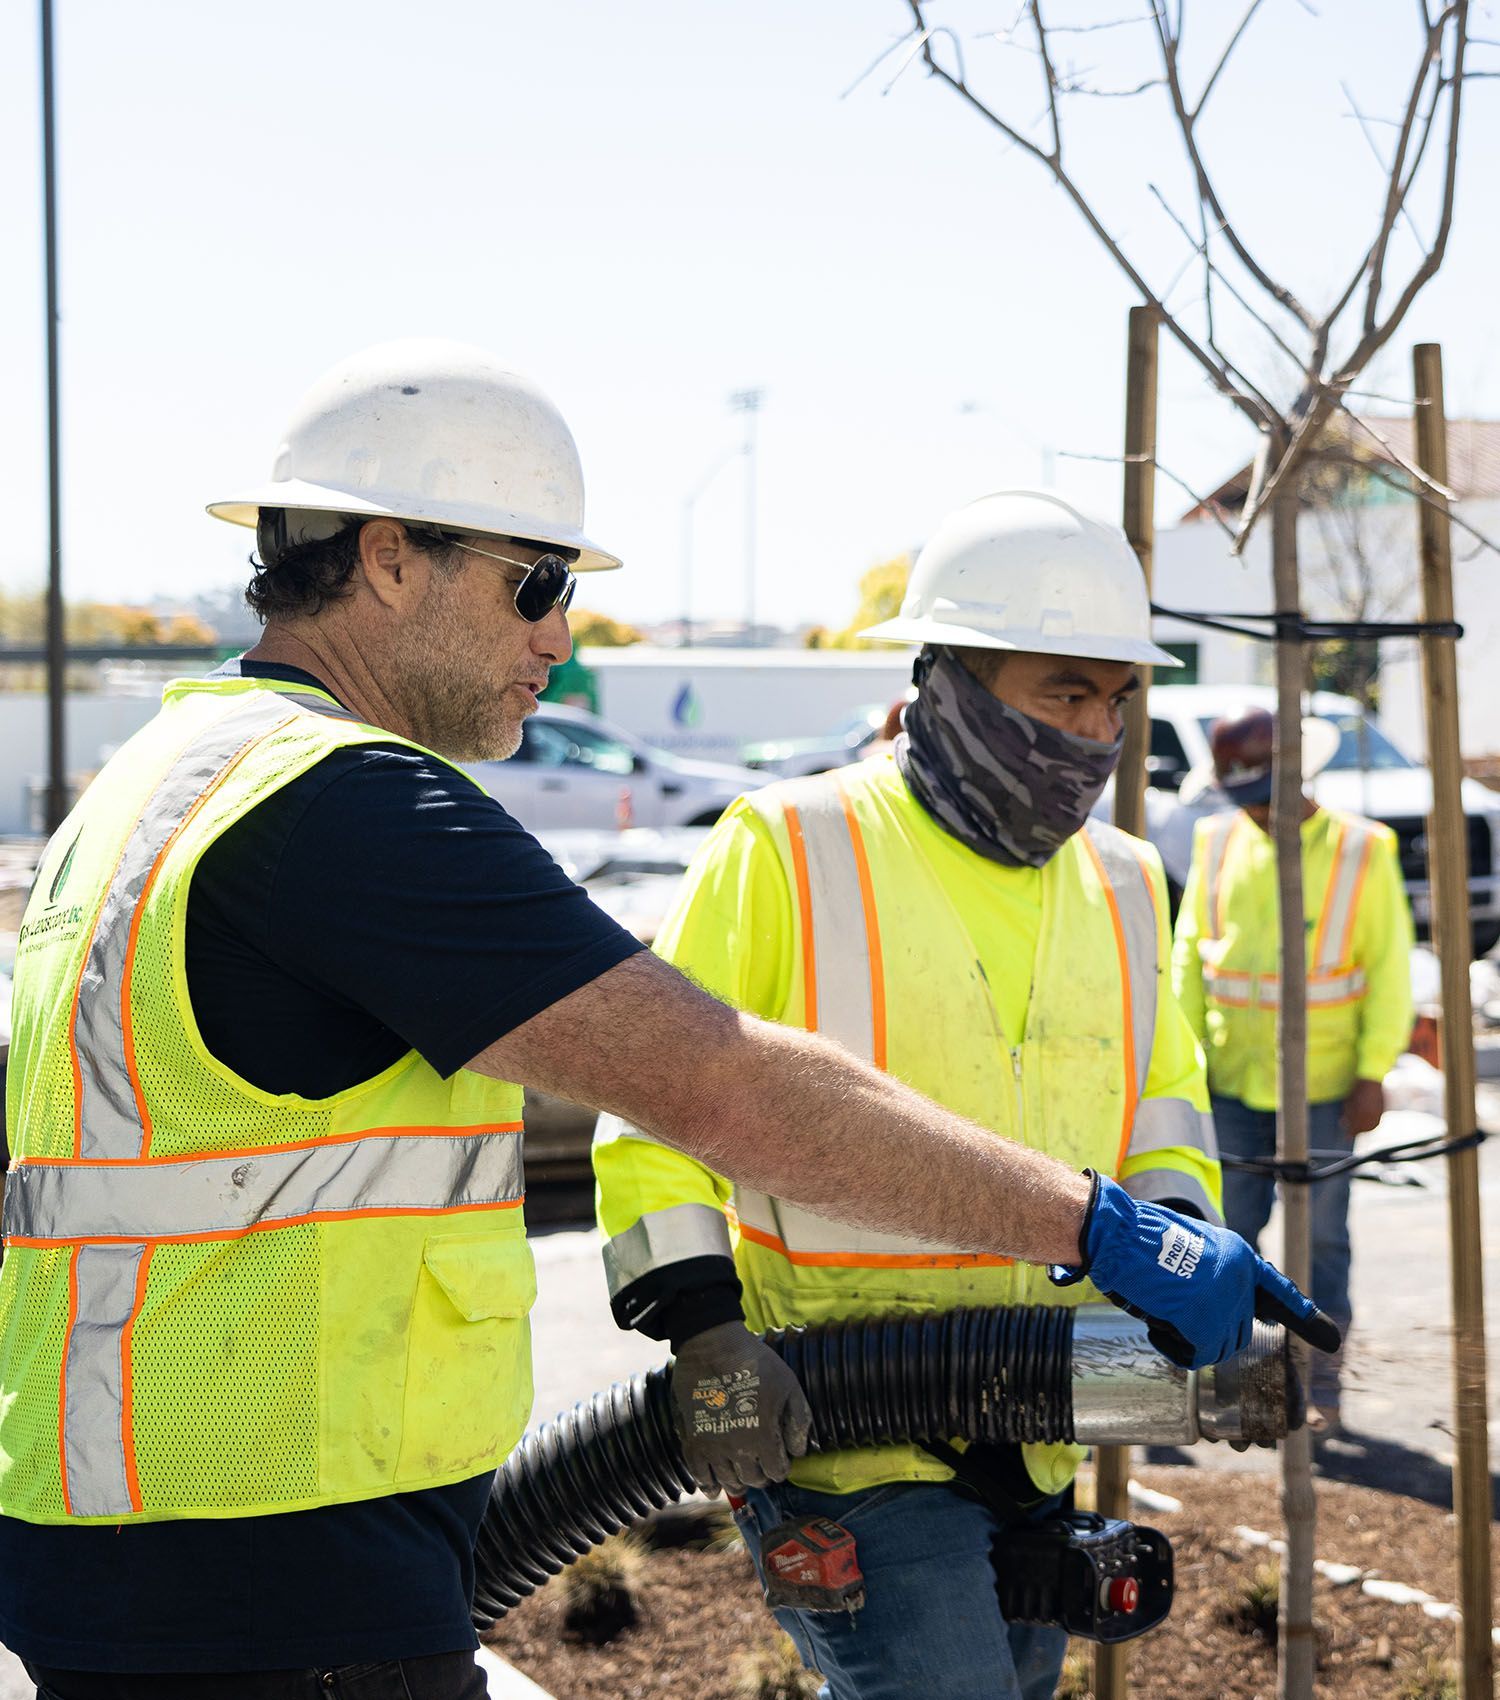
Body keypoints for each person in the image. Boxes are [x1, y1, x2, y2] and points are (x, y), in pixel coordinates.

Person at [0, 347, 1332, 1700]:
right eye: (538, 583)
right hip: (265, 1564)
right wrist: (1102, 1226)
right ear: (391, 557)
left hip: (168, 1536)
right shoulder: (346, 811)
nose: (558, 636)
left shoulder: (160, 780)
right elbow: (719, 1086)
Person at [592, 491, 1284, 1700]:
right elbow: (655, 1106)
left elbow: (1162, 1095)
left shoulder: (1124, 879)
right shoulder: (789, 842)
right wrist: (704, 1334)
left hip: (1046, 1412)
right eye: (1062, 691)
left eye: (1117, 697)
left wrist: (1175, 1255)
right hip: (837, 1428)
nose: (1095, 728)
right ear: (949, 681)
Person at [1172, 706, 1414, 1433]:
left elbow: (1390, 967)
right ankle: (1247, 1388)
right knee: (1228, 1236)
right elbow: (1189, 960)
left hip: (1326, 1087)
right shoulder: (1215, 841)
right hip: (1233, 1084)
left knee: (1323, 1240)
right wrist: (1186, 1076)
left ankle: (1322, 1382)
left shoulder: (1362, 849)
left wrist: (1373, 1071)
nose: (1249, 810)